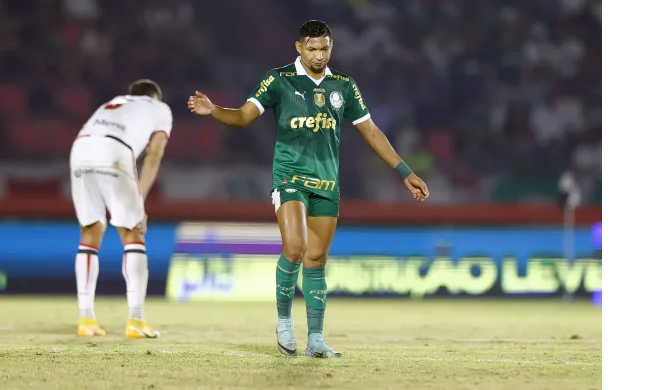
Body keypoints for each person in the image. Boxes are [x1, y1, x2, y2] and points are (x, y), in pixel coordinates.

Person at [187, 20, 429, 357]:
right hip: (289, 178)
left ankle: (315, 338)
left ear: (332, 48)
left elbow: (371, 131)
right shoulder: (279, 80)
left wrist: (405, 171)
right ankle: (284, 321)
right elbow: (243, 117)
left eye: (324, 48)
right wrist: (214, 111)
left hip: (327, 183)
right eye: (312, 48)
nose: (318, 54)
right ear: (299, 47)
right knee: (296, 247)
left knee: (316, 259)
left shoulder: (343, 86)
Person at [70, 79, 172, 338]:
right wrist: (140, 200)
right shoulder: (160, 109)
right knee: (133, 233)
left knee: (90, 231)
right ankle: (136, 321)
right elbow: (154, 154)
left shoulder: (113, 102)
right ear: (154, 97)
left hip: (80, 146)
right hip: (113, 149)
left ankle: (86, 319)